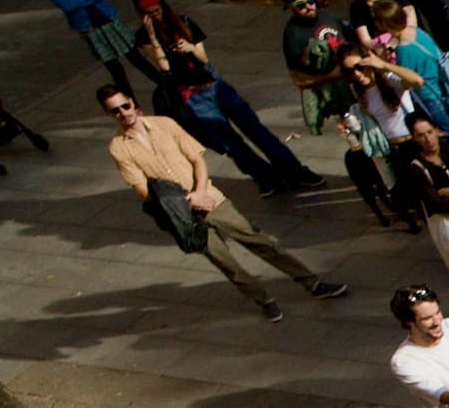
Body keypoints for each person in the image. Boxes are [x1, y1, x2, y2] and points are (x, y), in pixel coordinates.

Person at [100, 85, 348, 320]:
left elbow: (197, 160)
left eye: (125, 105)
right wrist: (188, 203)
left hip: (211, 198)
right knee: (226, 262)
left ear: (134, 103)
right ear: (108, 114)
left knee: (260, 241)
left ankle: (311, 283)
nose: (123, 113)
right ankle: (263, 300)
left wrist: (199, 193)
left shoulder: (165, 124)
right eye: (115, 110)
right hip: (183, 216)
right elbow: (144, 191)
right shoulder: (119, 148)